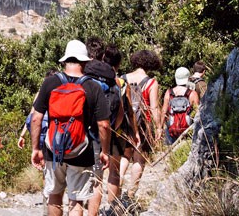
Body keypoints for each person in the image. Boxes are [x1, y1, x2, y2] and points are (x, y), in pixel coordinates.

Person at [30, 40, 111, 216]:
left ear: (65, 60)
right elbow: (104, 124)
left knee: (54, 195)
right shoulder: (93, 86)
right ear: (85, 62)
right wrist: (105, 151)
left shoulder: (50, 83)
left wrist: (36, 148)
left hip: (53, 148)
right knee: (76, 199)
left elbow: (36, 118)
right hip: (81, 150)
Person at [86, 43, 129, 215]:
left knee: (80, 180)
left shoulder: (85, 78)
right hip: (104, 136)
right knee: (99, 180)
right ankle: (106, 210)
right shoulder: (117, 83)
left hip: (80, 135)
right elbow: (121, 113)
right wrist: (110, 133)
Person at [119, 50, 162, 200]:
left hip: (123, 123)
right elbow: (154, 108)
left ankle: (115, 186)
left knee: (124, 155)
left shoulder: (122, 79)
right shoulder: (151, 83)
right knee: (138, 159)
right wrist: (159, 127)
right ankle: (130, 194)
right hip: (142, 124)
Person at [161, 67, 201, 143]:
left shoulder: (169, 92)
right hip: (188, 130)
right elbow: (197, 113)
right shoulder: (192, 93)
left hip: (171, 130)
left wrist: (159, 128)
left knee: (171, 153)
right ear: (188, 78)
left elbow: (163, 111)